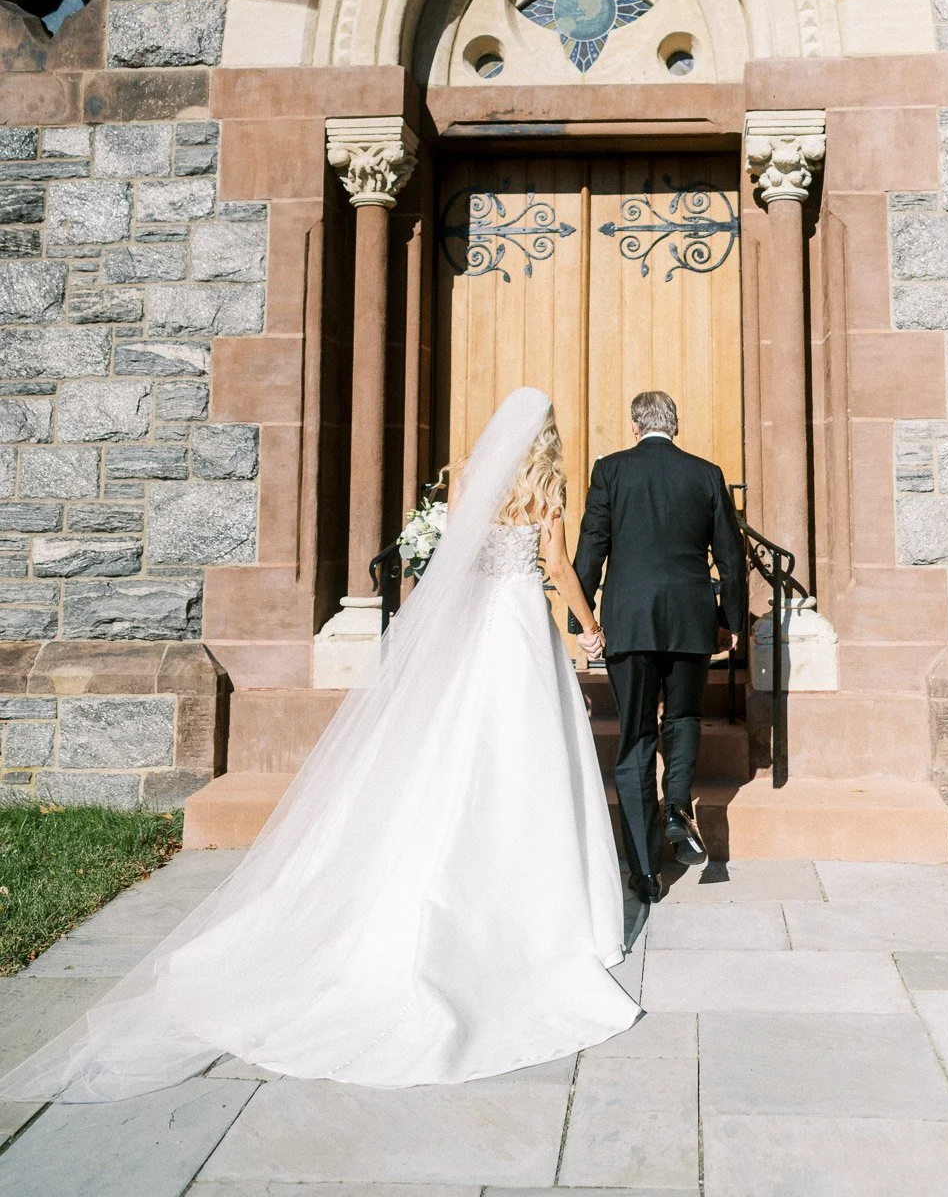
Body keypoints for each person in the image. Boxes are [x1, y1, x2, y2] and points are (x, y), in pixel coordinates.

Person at [0, 388, 638, 1104]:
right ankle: (535, 908)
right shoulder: (546, 487)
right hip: (519, 630)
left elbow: (453, 565)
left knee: (459, 750)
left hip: (479, 634)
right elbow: (557, 568)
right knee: (526, 762)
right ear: (546, 435)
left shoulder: (467, 479)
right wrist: (589, 627)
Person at [574, 390, 746, 905]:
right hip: (691, 617)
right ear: (676, 424)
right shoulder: (706, 473)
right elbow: (731, 557)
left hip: (628, 618)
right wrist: (731, 620)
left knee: (635, 735)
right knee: (685, 718)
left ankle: (646, 871)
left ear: (634, 426)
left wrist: (579, 620)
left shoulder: (610, 470)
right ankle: (676, 807)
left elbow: (591, 546)